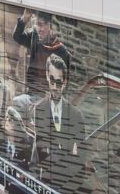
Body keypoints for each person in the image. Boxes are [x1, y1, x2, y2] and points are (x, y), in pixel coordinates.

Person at [26, 54, 88, 191]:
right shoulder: (38, 110)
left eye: (59, 82)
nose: (54, 86)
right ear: (47, 76)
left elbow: (80, 161)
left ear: (65, 82)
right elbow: (35, 153)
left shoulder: (76, 116)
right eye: (52, 80)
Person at [13, 10, 70, 99]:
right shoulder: (34, 37)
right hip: (32, 93)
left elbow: (64, 86)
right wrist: (24, 18)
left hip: (50, 100)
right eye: (36, 24)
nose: (38, 29)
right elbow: (17, 36)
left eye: (41, 24)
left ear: (49, 25)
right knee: (16, 102)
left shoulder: (62, 52)